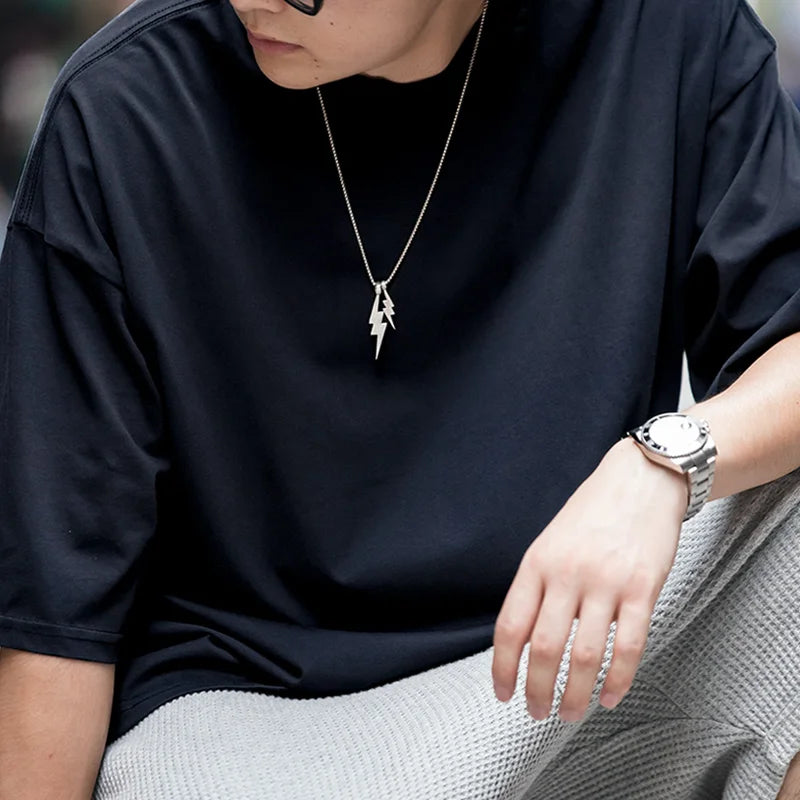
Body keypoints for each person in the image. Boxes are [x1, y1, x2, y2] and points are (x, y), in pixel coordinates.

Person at [0, 0, 799, 797]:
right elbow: (57, 609)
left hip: (566, 657)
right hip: (262, 708)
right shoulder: (126, 109)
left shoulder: (665, 29)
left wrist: (657, 467)